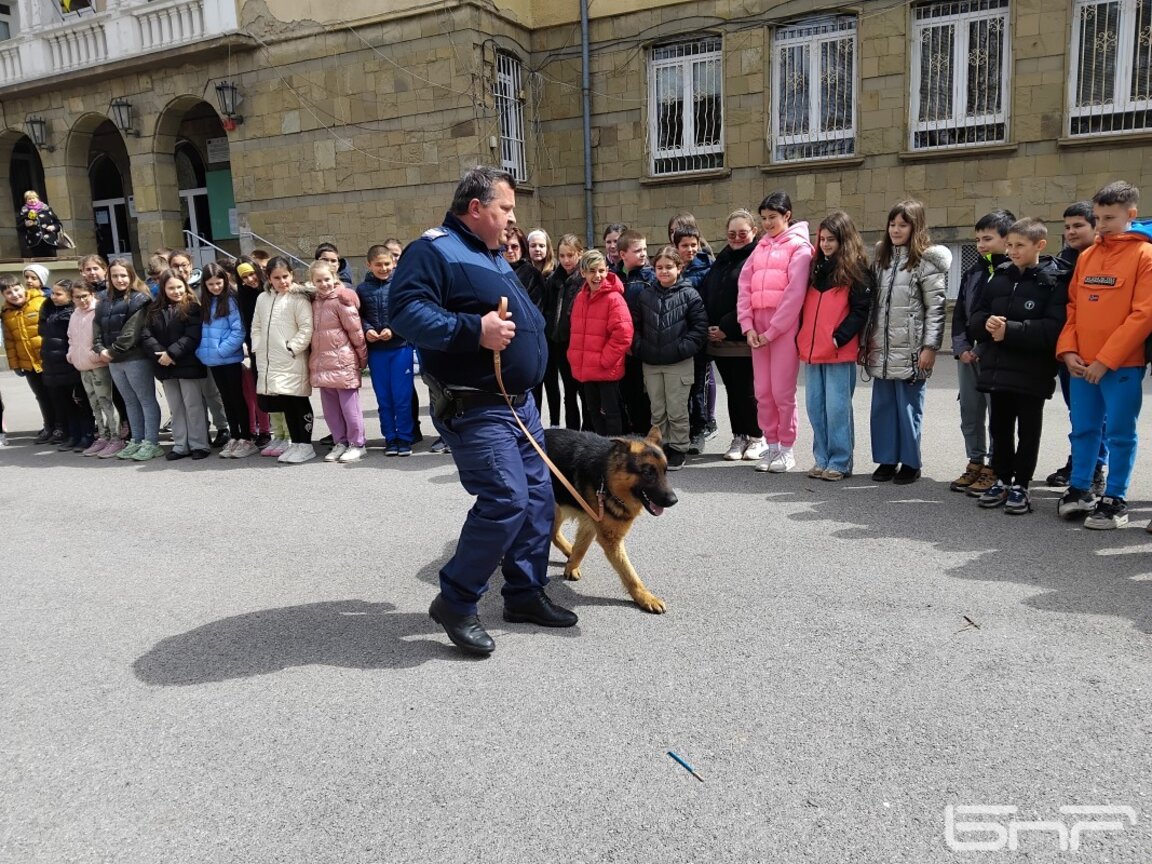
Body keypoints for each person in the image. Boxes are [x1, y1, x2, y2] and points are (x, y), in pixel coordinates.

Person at [390, 165, 577, 655]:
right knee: (506, 499)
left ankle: (524, 593)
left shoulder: (489, 254)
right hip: (476, 406)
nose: (512, 220)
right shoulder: (433, 249)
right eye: (505, 209)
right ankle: (455, 601)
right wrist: (475, 330)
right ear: (475, 208)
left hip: (520, 407)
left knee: (538, 500)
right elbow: (405, 312)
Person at [1055, 181, 1152, 529]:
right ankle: (1080, 488)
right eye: (1097, 217)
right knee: (1083, 428)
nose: (1102, 224)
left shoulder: (1145, 255)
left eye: (1109, 217)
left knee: (1120, 432)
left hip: (1121, 364)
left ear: (1131, 215)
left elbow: (1143, 314)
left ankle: (1115, 498)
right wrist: (1067, 351)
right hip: (1081, 363)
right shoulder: (1089, 256)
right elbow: (1073, 308)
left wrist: (1105, 360)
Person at [967, 218, 1069, 515]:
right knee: (999, 428)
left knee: (1028, 431)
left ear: (1040, 245)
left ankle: (1021, 485)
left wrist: (1010, 330)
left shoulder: (1054, 280)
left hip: (1032, 372)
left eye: (1019, 246)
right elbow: (976, 318)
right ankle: (1001, 478)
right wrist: (986, 324)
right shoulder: (997, 277)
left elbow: (1053, 329)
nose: (1012, 251)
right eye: (1009, 245)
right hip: (998, 370)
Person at [862, 200, 951, 484]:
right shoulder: (881, 262)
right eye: (892, 224)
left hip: (912, 350)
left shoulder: (926, 263)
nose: (896, 230)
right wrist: (866, 343)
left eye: (903, 224)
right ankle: (887, 460)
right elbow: (871, 308)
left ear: (916, 227)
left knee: (908, 409)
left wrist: (930, 348)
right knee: (883, 408)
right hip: (882, 349)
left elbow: (936, 309)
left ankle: (911, 463)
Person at [737, 191, 814, 473]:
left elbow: (794, 294)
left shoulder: (800, 247)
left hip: (782, 328)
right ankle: (770, 445)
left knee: (782, 391)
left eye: (773, 217)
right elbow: (744, 287)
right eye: (765, 218)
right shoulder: (760, 247)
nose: (768, 223)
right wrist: (747, 326)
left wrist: (773, 330)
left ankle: (786, 448)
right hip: (758, 327)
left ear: (787, 216)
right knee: (763, 392)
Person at [798, 211, 873, 481]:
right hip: (812, 350)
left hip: (838, 351)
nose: (826, 244)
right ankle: (822, 458)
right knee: (815, 407)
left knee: (838, 408)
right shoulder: (815, 268)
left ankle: (840, 461)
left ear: (844, 239)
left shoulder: (856, 270)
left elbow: (860, 310)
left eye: (832, 239)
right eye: (822, 239)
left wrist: (839, 337)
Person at [950, 209, 1014, 496]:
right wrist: (962, 347)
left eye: (987, 238)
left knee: (996, 413)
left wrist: (982, 347)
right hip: (968, 355)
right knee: (970, 410)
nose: (981, 245)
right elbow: (961, 313)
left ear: (1007, 238)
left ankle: (994, 465)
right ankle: (975, 460)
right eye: (977, 239)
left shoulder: (1012, 272)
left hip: (994, 355)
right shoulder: (973, 271)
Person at [1046, 201, 1105, 491]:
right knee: (1078, 414)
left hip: (1101, 354)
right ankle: (1080, 462)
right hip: (1068, 352)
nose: (1071, 232)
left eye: (1078, 225)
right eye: (1067, 227)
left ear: (1096, 227)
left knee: (1101, 417)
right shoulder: (1063, 261)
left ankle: (1095, 469)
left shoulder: (1106, 259)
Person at [634, 245, 707, 470]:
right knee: (658, 409)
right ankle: (660, 446)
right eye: (659, 268)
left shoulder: (689, 294)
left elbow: (699, 328)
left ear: (679, 267)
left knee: (676, 408)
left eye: (669, 267)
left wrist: (681, 348)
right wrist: (641, 348)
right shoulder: (646, 295)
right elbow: (635, 326)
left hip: (678, 362)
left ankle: (678, 447)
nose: (664, 272)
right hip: (652, 363)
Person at [703, 209, 768, 462]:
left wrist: (727, 327)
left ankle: (756, 436)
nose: (737, 237)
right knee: (732, 389)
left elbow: (752, 298)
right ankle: (738, 435)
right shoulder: (724, 257)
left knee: (748, 390)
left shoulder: (757, 256)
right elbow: (711, 290)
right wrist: (710, 326)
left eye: (743, 233)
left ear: (753, 232)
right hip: (719, 340)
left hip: (742, 336)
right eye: (732, 233)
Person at [94, 259, 164, 461]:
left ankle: (151, 442)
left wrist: (111, 351)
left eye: (123, 275)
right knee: (130, 401)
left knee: (146, 400)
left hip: (135, 358)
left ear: (131, 276)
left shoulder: (140, 299)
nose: (119, 279)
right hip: (114, 360)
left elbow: (131, 332)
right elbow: (96, 328)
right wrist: (99, 348)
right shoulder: (104, 301)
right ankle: (137, 439)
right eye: (115, 276)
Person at [251, 257, 316, 464]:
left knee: (299, 399)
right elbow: (256, 326)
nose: (282, 281)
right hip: (270, 359)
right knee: (286, 402)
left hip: (291, 358)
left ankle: (305, 444)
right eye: (276, 278)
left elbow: (306, 328)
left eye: (285, 276)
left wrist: (292, 348)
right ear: (269, 279)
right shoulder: (263, 298)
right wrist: (258, 346)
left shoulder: (298, 298)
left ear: (292, 275)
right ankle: (295, 442)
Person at [143, 270, 210, 461]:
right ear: (163, 289)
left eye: (179, 286)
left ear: (185, 286)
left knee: (193, 405)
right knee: (176, 407)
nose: (176, 291)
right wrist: (162, 355)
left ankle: (199, 444)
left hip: (187, 363)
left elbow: (192, 336)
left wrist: (171, 353)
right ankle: (181, 445)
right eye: (171, 287)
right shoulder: (153, 310)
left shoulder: (192, 307)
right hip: (164, 366)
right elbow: (146, 335)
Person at [568, 249, 634, 436]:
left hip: (606, 369)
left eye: (601, 271)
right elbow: (576, 330)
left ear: (607, 270)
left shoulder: (614, 298)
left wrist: (604, 360)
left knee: (611, 414)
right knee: (594, 413)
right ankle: (601, 453)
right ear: (583, 273)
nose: (597, 276)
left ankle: (615, 455)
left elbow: (623, 334)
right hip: (587, 369)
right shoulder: (581, 297)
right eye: (592, 271)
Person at [196, 263, 258, 458]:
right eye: (211, 284)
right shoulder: (206, 303)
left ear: (225, 280)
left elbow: (238, 330)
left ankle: (246, 438)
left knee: (237, 398)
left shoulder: (230, 300)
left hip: (228, 358)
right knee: (226, 399)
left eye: (218, 282)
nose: (215, 287)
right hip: (213, 360)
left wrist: (221, 350)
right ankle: (235, 435)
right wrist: (202, 352)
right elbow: (203, 332)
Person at [357, 244, 414, 456]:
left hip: (400, 348)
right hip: (377, 352)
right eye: (378, 264)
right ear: (369, 265)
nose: (383, 268)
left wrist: (394, 329)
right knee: (384, 398)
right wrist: (368, 330)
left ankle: (405, 438)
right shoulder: (362, 289)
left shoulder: (401, 285)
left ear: (394, 263)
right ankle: (390, 438)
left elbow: (407, 313)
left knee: (402, 397)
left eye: (387, 264)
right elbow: (358, 317)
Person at [309, 260, 368, 463]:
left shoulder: (342, 300)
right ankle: (339, 441)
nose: (324, 284)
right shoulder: (314, 302)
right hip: (323, 365)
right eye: (319, 280)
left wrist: (361, 358)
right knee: (331, 411)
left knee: (350, 408)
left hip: (344, 363)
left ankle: (357, 443)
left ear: (334, 279)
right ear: (312, 282)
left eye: (327, 279)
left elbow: (356, 331)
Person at [66, 280, 121, 457]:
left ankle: (116, 438)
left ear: (92, 295)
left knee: (106, 402)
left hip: (98, 364)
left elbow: (104, 336)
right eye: (77, 297)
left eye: (85, 296)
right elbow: (71, 338)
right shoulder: (75, 314)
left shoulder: (99, 310)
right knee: (93, 403)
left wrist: (96, 355)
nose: (82, 300)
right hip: (82, 366)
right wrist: (72, 354)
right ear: (72, 298)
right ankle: (103, 437)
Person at [39, 279, 94, 452]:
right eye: (52, 293)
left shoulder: (72, 314)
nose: (52, 296)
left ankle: (87, 435)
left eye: (58, 294)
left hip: (69, 364)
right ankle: (73, 435)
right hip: (53, 365)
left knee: (80, 402)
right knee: (65, 403)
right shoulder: (48, 311)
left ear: (70, 296)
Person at [1, 274, 56, 442]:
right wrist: (15, 364)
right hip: (28, 364)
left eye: (16, 289)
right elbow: (10, 342)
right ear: (4, 295)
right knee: (41, 395)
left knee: (56, 394)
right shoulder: (6, 313)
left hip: (48, 359)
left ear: (22, 287)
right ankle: (49, 426)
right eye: (9, 292)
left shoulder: (41, 302)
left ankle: (62, 427)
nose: (14, 294)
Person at [542, 233, 586, 429]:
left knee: (585, 394)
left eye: (571, 255)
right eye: (562, 256)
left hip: (580, 345)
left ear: (579, 254)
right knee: (568, 392)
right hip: (559, 344)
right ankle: (572, 432)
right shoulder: (554, 279)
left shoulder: (584, 280)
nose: (566, 260)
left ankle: (589, 430)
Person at [617, 229, 655, 433]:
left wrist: (638, 342)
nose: (643, 253)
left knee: (647, 393)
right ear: (623, 255)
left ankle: (648, 431)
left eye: (645, 249)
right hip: (622, 348)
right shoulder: (614, 278)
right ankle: (634, 430)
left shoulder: (651, 278)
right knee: (629, 392)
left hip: (643, 345)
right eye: (638, 250)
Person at [233, 257, 274, 449]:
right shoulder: (242, 297)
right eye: (244, 277)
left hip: (276, 347)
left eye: (252, 274)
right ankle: (261, 431)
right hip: (255, 349)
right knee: (258, 391)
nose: (250, 279)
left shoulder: (270, 291)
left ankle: (275, 431)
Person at [18, 190, 63, 255]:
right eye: (29, 199)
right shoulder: (24, 212)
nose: (32, 200)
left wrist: (53, 227)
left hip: (50, 242)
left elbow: (58, 223)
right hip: (34, 243)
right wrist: (25, 224)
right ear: (26, 201)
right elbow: (19, 228)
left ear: (37, 198)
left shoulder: (47, 209)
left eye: (34, 198)